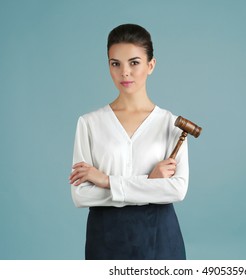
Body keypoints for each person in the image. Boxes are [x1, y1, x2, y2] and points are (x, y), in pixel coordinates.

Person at [68, 24, 189, 260]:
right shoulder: (89, 123)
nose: (125, 72)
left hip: (160, 238)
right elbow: (81, 195)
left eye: (134, 62)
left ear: (150, 65)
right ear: (109, 66)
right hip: (105, 238)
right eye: (116, 63)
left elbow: (177, 189)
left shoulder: (171, 124)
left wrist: (105, 181)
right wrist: (151, 183)